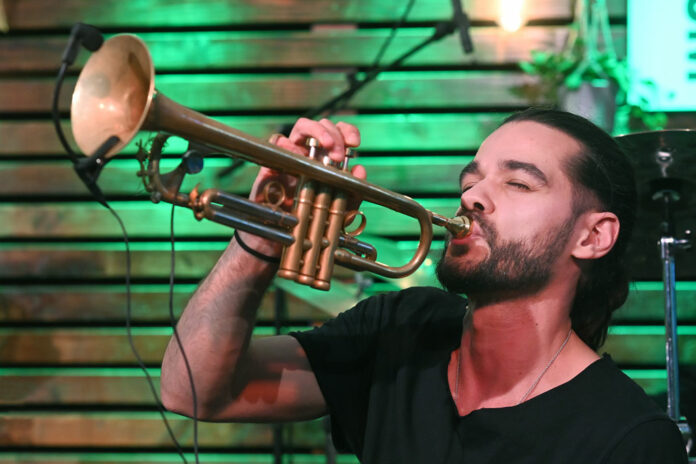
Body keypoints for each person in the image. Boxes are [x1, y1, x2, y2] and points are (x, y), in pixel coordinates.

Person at [160, 108, 688, 463]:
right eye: (471, 180)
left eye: (518, 183)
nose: (474, 197)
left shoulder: (629, 439)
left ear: (593, 236)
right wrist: (262, 235)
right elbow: (192, 389)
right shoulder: (400, 329)